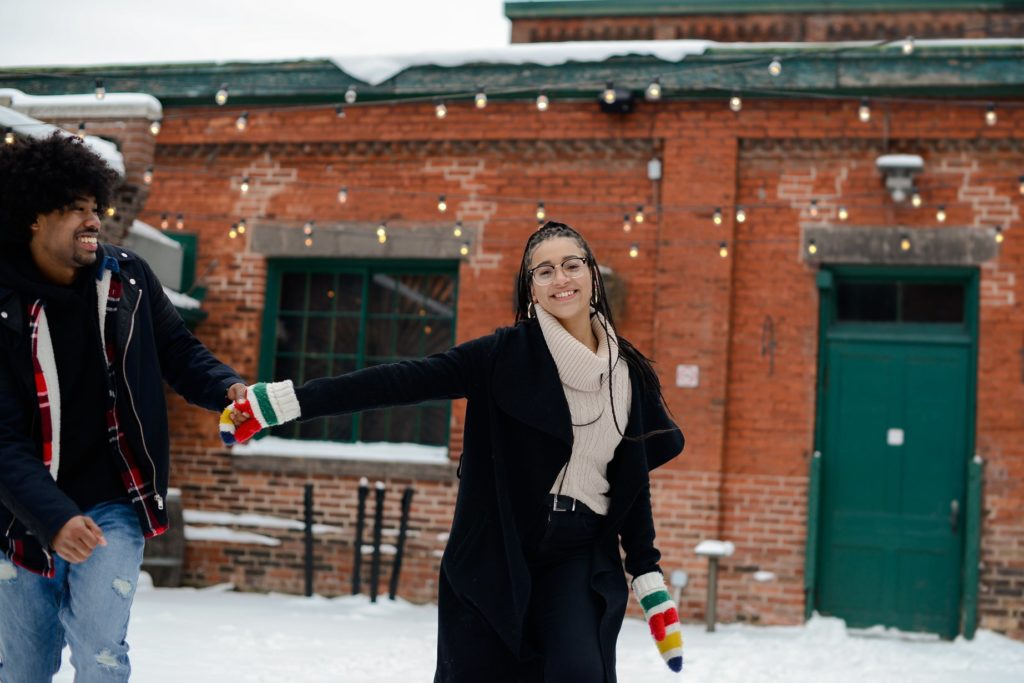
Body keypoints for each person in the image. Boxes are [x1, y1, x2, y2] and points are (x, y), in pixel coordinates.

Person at [223, 221, 685, 682]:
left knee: (579, 671)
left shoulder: (628, 374)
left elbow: (631, 482)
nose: (560, 279)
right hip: (498, 548)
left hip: (579, 553)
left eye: (571, 265)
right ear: (531, 289)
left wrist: (649, 578)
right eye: (544, 271)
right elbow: (399, 380)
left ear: (592, 276)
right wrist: (283, 403)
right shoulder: (502, 355)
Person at [0, 132, 246, 682]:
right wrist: (55, 517)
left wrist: (225, 386)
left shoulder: (126, 278)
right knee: (24, 667)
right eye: (73, 210)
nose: (92, 221)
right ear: (33, 218)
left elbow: (179, 351)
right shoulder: (5, 305)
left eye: (94, 208)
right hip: (18, 516)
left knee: (102, 654)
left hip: (116, 500)